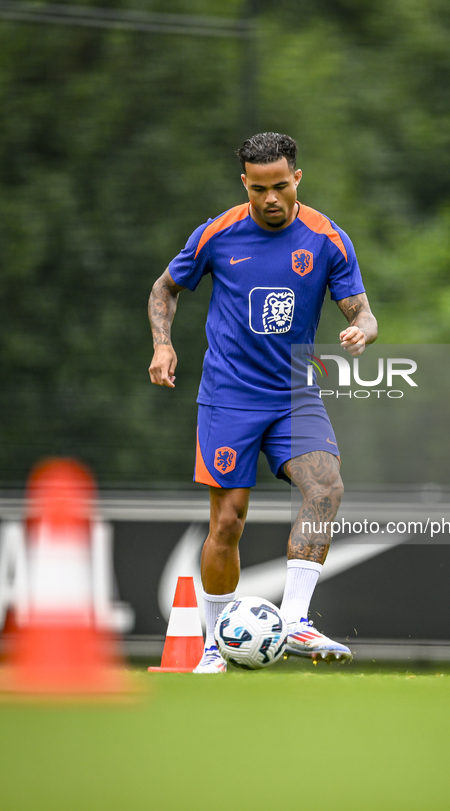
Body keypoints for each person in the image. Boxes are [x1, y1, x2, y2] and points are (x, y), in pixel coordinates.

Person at [148, 132, 377, 673]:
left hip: (295, 393)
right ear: (244, 185)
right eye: (258, 189)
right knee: (227, 523)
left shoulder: (327, 238)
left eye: (280, 186)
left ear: (297, 178)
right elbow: (165, 288)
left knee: (326, 487)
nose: (271, 199)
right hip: (228, 397)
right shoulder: (218, 233)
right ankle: (213, 646)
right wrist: (162, 344)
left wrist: (363, 331)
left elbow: (361, 311)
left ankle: (294, 619)